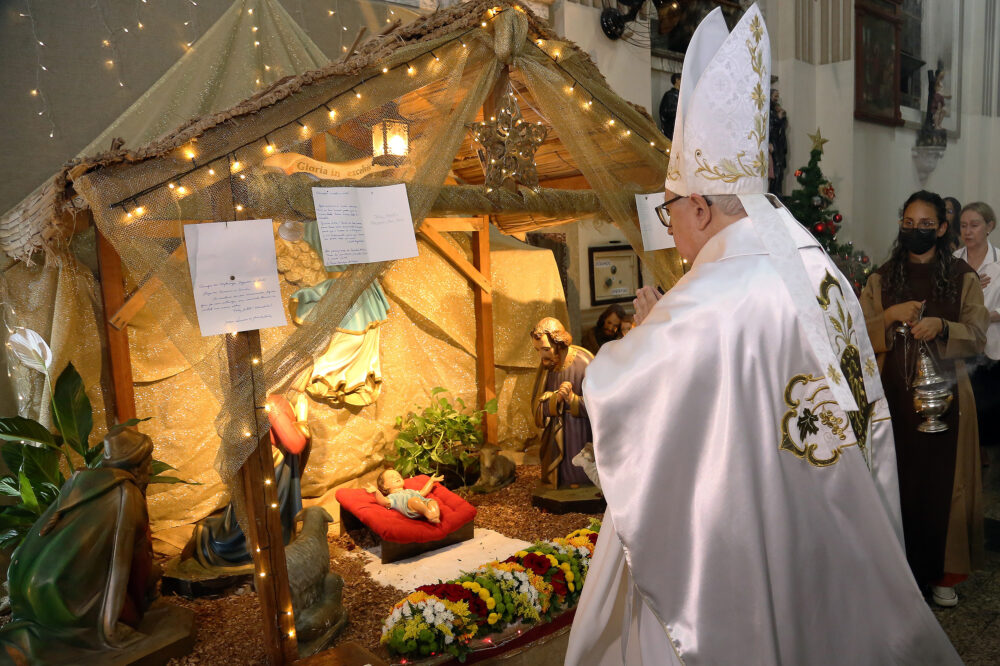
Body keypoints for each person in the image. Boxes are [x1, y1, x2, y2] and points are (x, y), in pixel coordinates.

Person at [566, 6, 961, 665]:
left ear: (698, 204)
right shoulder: (806, 257)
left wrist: (615, 349)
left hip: (742, 539)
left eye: (672, 213)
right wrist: (665, 319)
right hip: (827, 517)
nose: (673, 233)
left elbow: (634, 385)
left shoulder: (717, 288)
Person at [861, 191, 988, 608]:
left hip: (950, 400)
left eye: (926, 224)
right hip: (894, 398)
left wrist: (943, 326)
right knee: (900, 482)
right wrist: (890, 317)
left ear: (943, 228)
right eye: (909, 223)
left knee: (944, 484)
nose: (917, 231)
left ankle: (943, 574)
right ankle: (900, 574)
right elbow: (856, 335)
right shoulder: (881, 279)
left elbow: (979, 334)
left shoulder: (963, 277)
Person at [0, 429, 159, 663]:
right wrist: (136, 605)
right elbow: (128, 566)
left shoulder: (84, 480)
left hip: (29, 583)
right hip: (65, 593)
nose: (152, 471)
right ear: (136, 465)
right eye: (148, 464)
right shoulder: (126, 495)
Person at [183, 394, 310, 568]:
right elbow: (295, 444)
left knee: (258, 519)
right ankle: (225, 545)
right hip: (268, 474)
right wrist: (303, 419)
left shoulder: (267, 401)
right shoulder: (272, 404)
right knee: (256, 524)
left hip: (266, 471)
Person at [955, 202, 1000, 456]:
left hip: (993, 348)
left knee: (990, 415)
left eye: (974, 225)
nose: (968, 232)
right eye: (963, 226)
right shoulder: (953, 262)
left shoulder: (999, 261)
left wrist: (986, 316)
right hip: (962, 347)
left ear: (989, 226)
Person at [529, 317, 594, 488]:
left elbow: (599, 405)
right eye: (537, 350)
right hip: (555, 434)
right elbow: (536, 408)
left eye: (545, 349)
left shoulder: (585, 362)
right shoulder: (547, 366)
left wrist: (572, 399)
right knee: (561, 475)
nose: (541, 356)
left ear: (559, 344)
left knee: (581, 473)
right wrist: (554, 399)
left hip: (581, 431)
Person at [366, 470, 444, 524]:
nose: (396, 477)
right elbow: (383, 501)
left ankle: (435, 516)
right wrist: (376, 492)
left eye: (398, 475)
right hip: (411, 509)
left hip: (423, 503)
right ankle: (429, 514)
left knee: (432, 502)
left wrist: (431, 481)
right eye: (391, 477)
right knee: (415, 500)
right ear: (384, 486)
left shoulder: (410, 491)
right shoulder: (392, 497)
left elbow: (423, 492)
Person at [658, 73, 680, 139]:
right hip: (671, 128)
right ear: (677, 80)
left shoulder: (683, 95)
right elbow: (664, 112)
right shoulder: (669, 95)